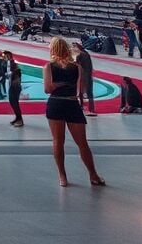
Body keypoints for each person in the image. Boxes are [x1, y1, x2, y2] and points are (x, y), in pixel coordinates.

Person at [43, 37, 104, 187]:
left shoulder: (48, 67)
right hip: (72, 103)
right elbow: (80, 90)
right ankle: (93, 174)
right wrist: (66, 84)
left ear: (54, 50)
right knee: (82, 143)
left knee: (58, 141)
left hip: (56, 103)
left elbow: (47, 89)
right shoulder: (77, 67)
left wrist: (58, 84)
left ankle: (62, 176)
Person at [72, 41, 96, 116]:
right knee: (88, 92)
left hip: (83, 75)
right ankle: (90, 108)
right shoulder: (86, 54)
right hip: (88, 74)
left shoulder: (80, 55)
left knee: (82, 91)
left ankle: (83, 106)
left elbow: (76, 64)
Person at [5, 50, 23, 127]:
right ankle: (17, 117)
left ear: (9, 56)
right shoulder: (8, 63)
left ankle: (20, 120)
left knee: (14, 102)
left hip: (15, 86)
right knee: (13, 102)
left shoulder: (13, 63)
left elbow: (17, 72)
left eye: (5, 55)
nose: (4, 57)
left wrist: (8, 74)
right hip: (12, 85)